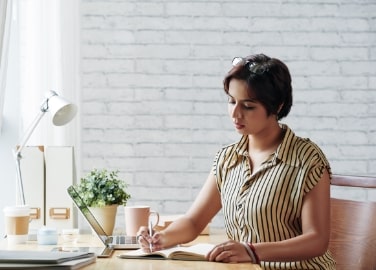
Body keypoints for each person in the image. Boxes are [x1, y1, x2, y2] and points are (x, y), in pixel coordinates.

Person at [137, 53, 336, 269]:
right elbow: (194, 222)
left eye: (248, 106)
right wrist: (160, 238)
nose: (235, 114)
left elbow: (317, 240)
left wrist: (251, 251)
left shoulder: (307, 160)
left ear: (278, 106)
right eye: (231, 101)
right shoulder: (227, 159)